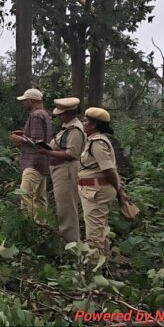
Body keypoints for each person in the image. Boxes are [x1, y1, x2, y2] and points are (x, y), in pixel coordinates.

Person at [77, 107, 129, 259]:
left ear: (93, 125)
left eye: (86, 121)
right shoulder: (92, 141)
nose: (83, 123)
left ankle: (94, 267)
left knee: (94, 232)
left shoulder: (98, 143)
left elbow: (109, 170)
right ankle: (103, 262)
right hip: (93, 189)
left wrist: (119, 191)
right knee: (99, 229)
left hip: (96, 191)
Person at [36, 97, 85, 243]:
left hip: (67, 171)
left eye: (61, 114)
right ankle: (67, 243)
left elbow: (71, 154)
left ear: (70, 113)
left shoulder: (75, 129)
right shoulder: (66, 127)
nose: (58, 116)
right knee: (62, 208)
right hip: (59, 170)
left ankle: (72, 246)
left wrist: (48, 153)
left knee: (67, 210)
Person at [10, 88, 53, 224]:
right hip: (43, 163)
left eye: (25, 101)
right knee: (40, 198)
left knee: (26, 195)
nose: (23, 103)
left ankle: (28, 227)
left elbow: (38, 142)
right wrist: (24, 134)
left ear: (32, 101)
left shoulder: (36, 115)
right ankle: (42, 225)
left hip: (33, 163)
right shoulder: (45, 114)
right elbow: (42, 140)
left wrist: (20, 139)